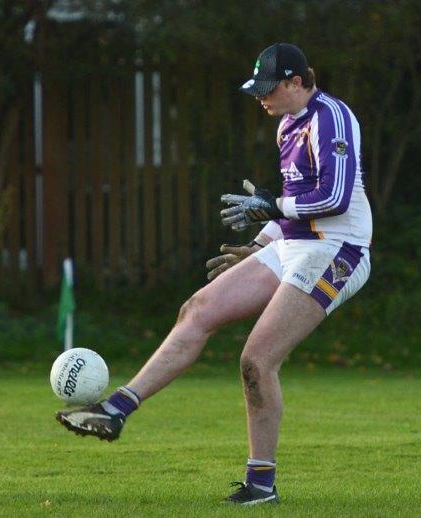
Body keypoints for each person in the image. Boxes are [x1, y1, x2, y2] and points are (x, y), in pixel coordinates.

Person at [55, 43, 372, 506]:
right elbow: (293, 198)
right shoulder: (287, 123)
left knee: (256, 360)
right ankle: (117, 409)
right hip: (296, 245)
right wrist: (261, 243)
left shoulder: (332, 117)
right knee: (198, 308)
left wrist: (272, 207)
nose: (261, 98)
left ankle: (261, 485)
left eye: (269, 89)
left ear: (297, 82)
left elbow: (336, 197)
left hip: (339, 250)